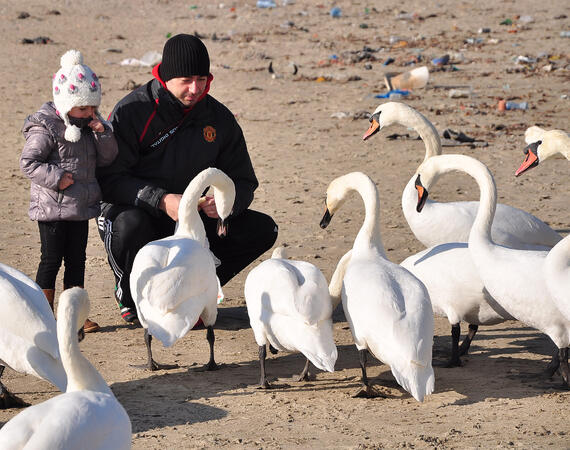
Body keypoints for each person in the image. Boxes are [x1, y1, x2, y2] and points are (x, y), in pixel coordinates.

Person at [96, 33, 278, 324]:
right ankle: (129, 291)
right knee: (130, 225)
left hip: (192, 219)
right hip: (140, 212)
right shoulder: (132, 112)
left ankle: (194, 291)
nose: (195, 89)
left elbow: (244, 181)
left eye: (202, 79)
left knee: (262, 228)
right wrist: (161, 200)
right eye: (186, 80)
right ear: (166, 77)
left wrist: (225, 204)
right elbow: (109, 180)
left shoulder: (219, 119)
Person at [20, 49, 119, 333]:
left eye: (92, 107)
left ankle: (75, 316)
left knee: (77, 260)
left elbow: (108, 157)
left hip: (80, 206)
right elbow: (28, 163)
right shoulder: (46, 127)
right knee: (51, 260)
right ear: (66, 105)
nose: (89, 114)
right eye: (83, 109)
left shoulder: (92, 126)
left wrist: (103, 132)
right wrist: (56, 177)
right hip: (51, 208)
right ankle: (41, 316)